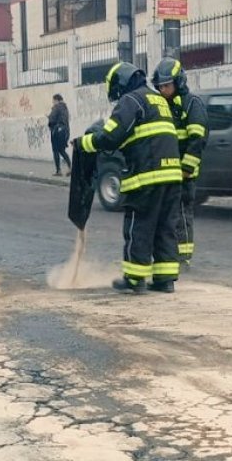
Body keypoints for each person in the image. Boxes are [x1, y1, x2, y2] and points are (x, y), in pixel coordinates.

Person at [75, 62, 183, 293]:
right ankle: (165, 280)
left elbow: (111, 137)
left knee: (140, 225)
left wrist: (84, 144)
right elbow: (140, 136)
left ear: (120, 84)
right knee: (165, 227)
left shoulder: (130, 100)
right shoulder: (158, 100)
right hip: (172, 175)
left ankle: (135, 279)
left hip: (148, 175)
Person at [152, 58, 207, 263]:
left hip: (184, 173)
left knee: (182, 214)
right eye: (160, 86)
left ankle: (183, 257)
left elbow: (197, 138)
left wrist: (186, 168)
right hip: (167, 172)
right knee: (168, 215)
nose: (163, 89)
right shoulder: (163, 105)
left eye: (167, 85)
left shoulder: (191, 104)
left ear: (179, 82)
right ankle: (170, 254)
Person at [48, 93, 71, 176]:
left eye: (53, 101)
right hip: (65, 131)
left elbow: (52, 119)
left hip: (57, 131)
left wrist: (49, 118)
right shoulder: (65, 108)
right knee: (62, 150)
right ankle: (70, 167)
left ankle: (58, 171)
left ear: (57, 100)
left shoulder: (56, 107)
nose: (53, 103)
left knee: (55, 151)